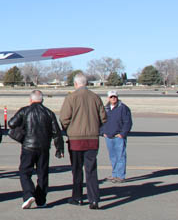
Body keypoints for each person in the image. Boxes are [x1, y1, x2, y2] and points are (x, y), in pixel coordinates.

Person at [8, 90, 64, 209]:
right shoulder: (49, 113)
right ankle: (41, 200)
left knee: (24, 171)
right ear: (42, 100)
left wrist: (22, 127)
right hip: (44, 147)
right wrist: (59, 148)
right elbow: (56, 132)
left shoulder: (25, 110)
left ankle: (28, 193)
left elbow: (11, 123)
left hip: (28, 146)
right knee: (42, 174)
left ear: (30, 99)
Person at [59, 73, 107, 209]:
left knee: (77, 170)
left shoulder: (71, 97)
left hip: (75, 139)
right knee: (91, 170)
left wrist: (69, 129)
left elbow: (64, 118)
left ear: (75, 84)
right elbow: (103, 117)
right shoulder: (96, 98)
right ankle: (94, 199)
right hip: (92, 139)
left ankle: (77, 197)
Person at [102, 90, 132, 183]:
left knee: (121, 156)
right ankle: (114, 174)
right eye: (111, 97)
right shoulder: (105, 108)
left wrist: (122, 134)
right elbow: (101, 121)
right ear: (108, 98)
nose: (113, 98)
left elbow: (128, 122)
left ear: (117, 97)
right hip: (108, 136)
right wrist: (102, 132)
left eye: (114, 96)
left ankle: (121, 176)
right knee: (113, 157)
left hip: (118, 137)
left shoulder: (123, 108)